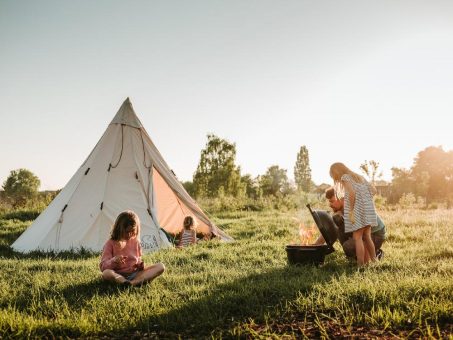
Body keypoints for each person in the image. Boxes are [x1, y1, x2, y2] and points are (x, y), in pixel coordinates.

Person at [315, 187, 386, 260]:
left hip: (376, 234)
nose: (330, 205)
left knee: (348, 246)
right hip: (364, 233)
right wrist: (315, 246)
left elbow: (361, 232)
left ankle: (375, 253)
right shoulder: (340, 211)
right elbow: (329, 230)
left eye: (332, 201)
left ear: (341, 199)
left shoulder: (352, 207)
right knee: (337, 223)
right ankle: (357, 256)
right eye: (329, 202)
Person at [330, 162, 378, 266]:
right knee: (367, 236)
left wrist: (351, 210)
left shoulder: (345, 177)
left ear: (337, 172)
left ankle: (360, 265)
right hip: (368, 211)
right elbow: (374, 190)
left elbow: (351, 193)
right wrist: (365, 200)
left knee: (357, 237)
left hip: (357, 211)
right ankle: (375, 261)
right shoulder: (359, 177)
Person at [100, 210, 165, 286]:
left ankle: (132, 283)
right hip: (117, 275)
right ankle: (124, 282)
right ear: (119, 229)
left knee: (160, 266)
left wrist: (140, 265)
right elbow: (103, 267)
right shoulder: (110, 244)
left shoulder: (135, 242)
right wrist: (114, 261)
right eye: (127, 232)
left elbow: (138, 260)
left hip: (135, 274)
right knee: (106, 273)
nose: (129, 235)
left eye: (132, 231)